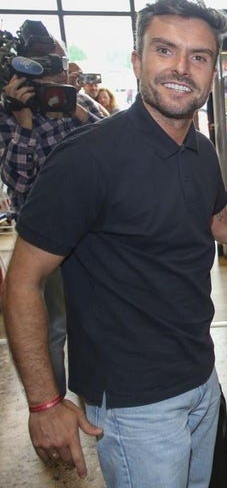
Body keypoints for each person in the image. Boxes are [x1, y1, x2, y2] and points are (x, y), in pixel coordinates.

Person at [0, 0, 227, 488]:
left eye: (199, 56)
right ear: (137, 61)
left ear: (213, 70)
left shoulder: (201, 149)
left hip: (200, 376)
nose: (182, 68)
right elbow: (23, 281)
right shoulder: (86, 160)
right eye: (165, 50)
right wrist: (45, 402)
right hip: (134, 402)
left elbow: (221, 223)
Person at [0, 37, 107, 398]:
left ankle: (99, 397)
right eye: (39, 66)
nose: (50, 76)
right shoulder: (10, 113)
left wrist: (76, 109)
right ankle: (54, 402)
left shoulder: (77, 102)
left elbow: (120, 143)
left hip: (94, 231)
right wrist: (24, 123)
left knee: (99, 320)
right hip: (43, 237)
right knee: (52, 328)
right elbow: (17, 180)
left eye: (55, 65)